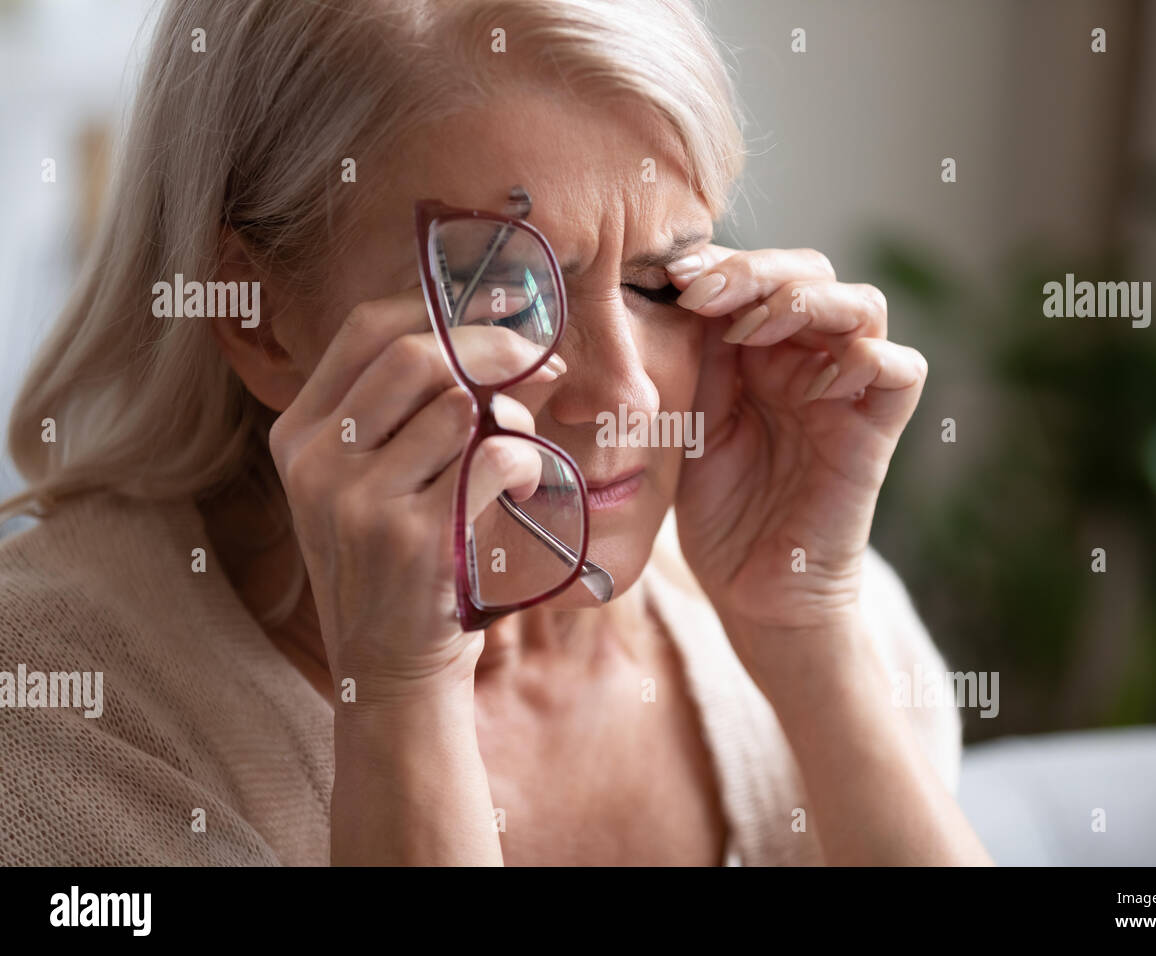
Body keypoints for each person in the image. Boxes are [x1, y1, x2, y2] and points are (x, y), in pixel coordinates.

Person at [0, 0, 991, 866]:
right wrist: (401, 696)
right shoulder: (53, 714)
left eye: (660, 280)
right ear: (256, 315)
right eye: (499, 290)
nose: (629, 397)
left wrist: (807, 635)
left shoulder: (827, 619)